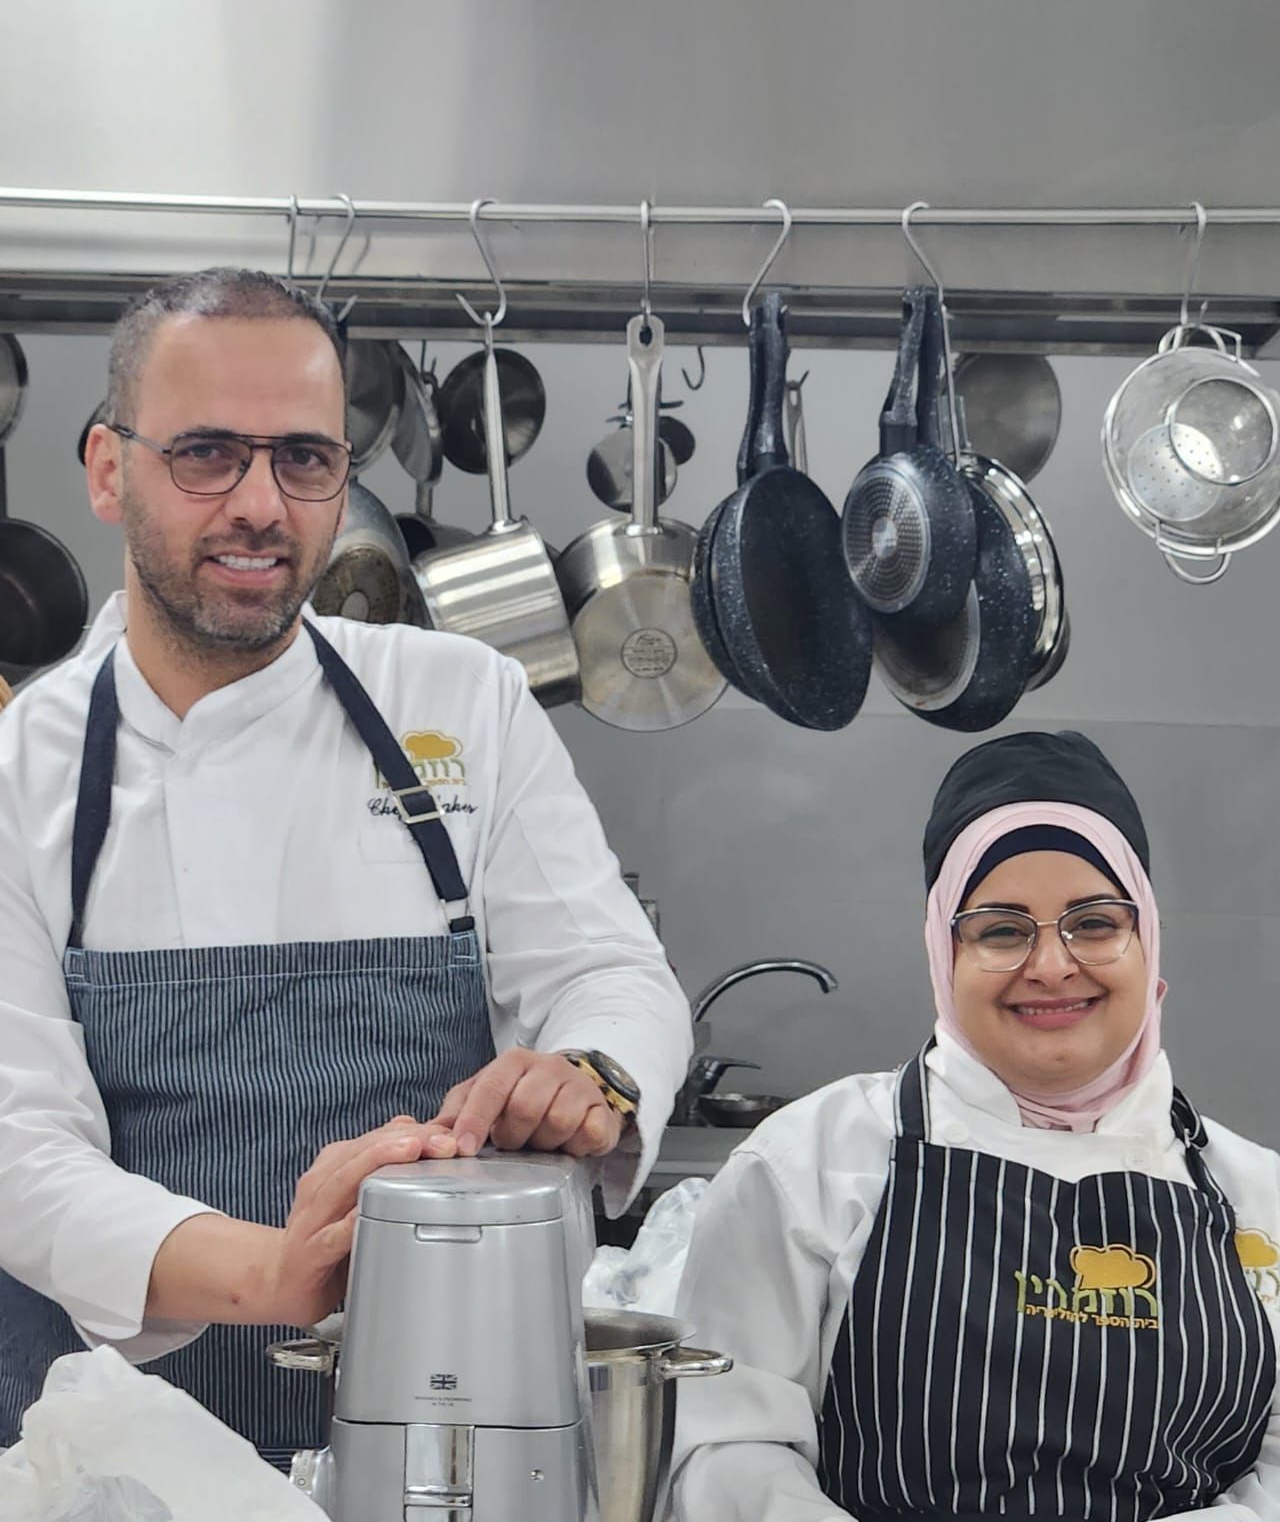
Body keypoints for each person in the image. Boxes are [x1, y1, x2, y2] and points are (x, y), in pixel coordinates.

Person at [0, 268, 692, 1463]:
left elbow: (611, 971)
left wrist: (588, 1070)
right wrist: (279, 1270)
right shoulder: (21, 767)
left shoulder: (461, 702)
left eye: (306, 459)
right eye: (207, 454)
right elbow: (19, 1147)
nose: (261, 504)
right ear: (109, 470)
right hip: (119, 1460)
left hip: (455, 1439)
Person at [671, 730, 1280, 1522]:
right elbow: (725, 1444)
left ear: (1147, 938)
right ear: (943, 951)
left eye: (1095, 922)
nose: (1052, 965)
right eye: (1001, 929)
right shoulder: (807, 1166)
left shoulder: (1257, 1195)